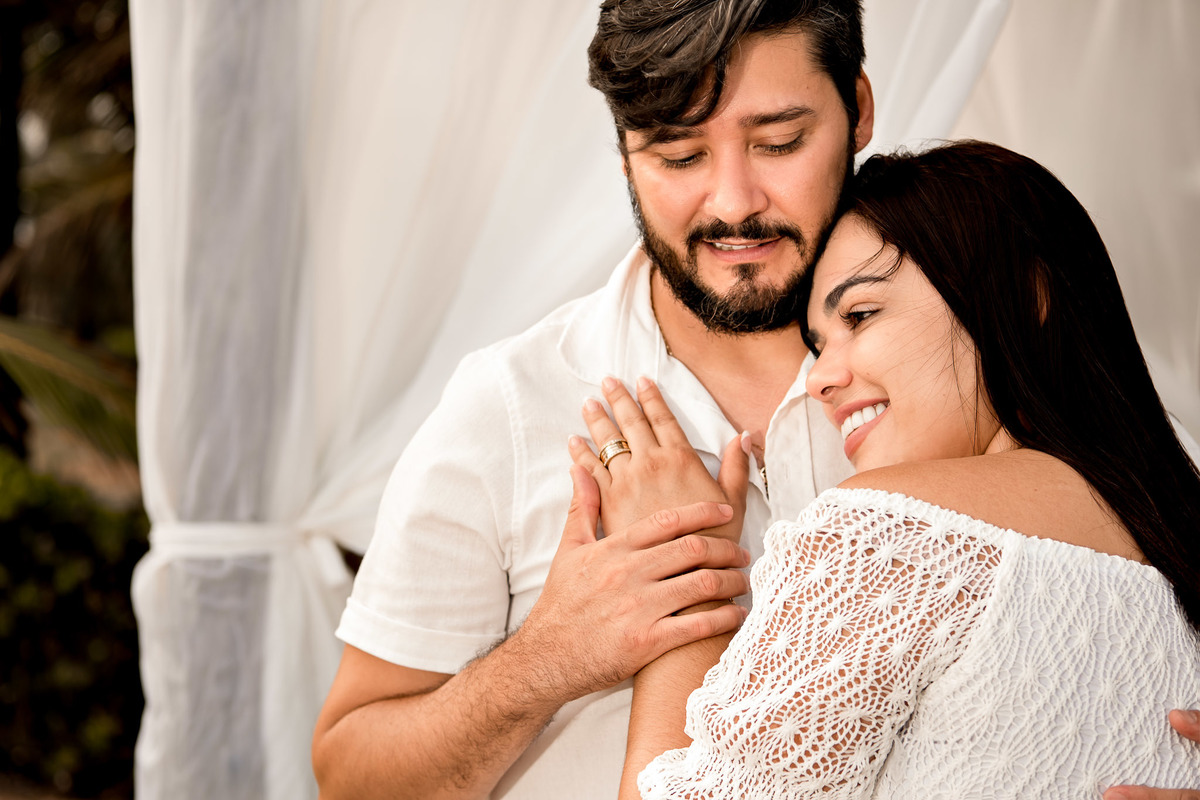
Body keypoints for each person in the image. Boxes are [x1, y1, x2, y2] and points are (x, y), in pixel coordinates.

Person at [310, 2, 1200, 797]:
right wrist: (554, 655)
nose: (733, 202)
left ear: (858, 110)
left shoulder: (975, 374)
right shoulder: (509, 405)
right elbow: (349, 774)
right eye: (679, 154)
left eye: (778, 141)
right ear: (622, 151)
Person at [562, 141, 1200, 798]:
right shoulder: (1173, 514)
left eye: (860, 315)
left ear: (1024, 291)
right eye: (817, 344)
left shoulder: (890, 529)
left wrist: (685, 579)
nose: (820, 380)